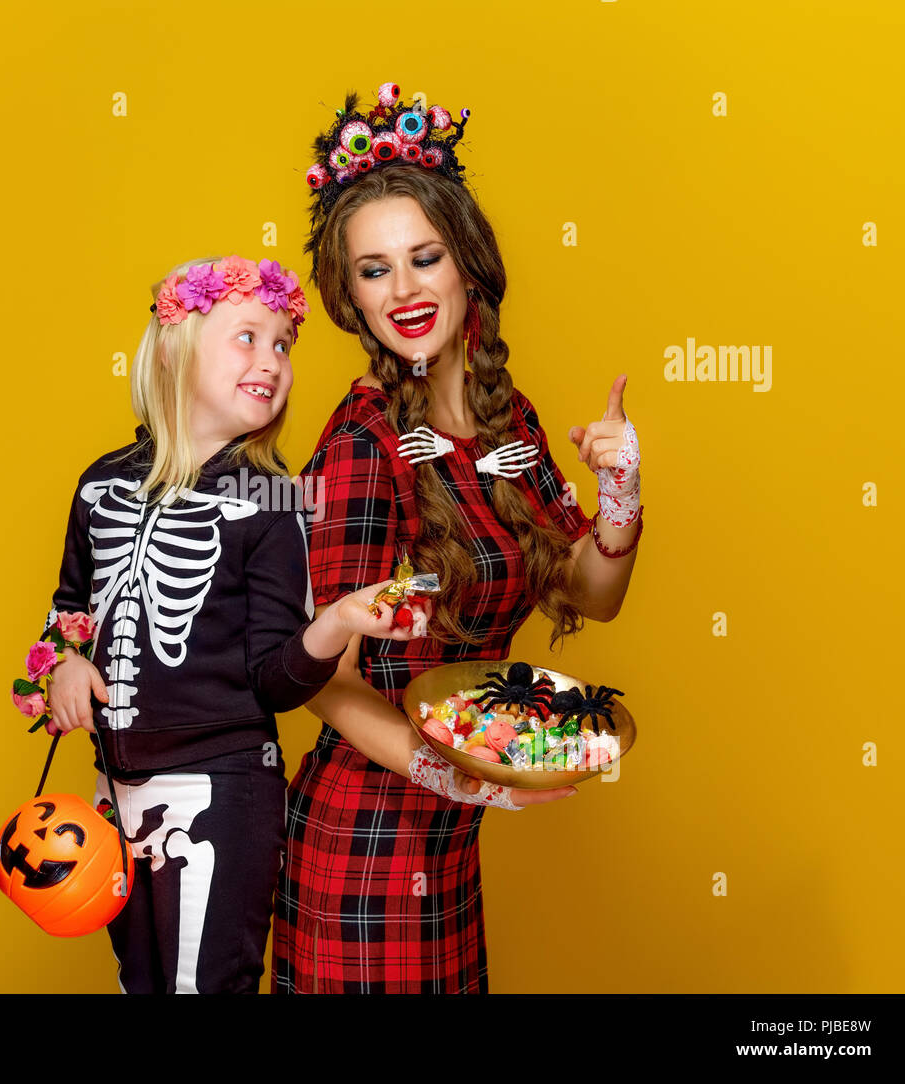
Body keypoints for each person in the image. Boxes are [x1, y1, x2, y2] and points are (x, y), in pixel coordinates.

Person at [272, 84, 645, 993]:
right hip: (361, 852)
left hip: (447, 854)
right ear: (349, 299)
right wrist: (456, 780)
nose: (402, 291)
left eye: (423, 257)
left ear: (467, 264)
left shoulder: (504, 420)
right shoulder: (362, 442)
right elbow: (318, 671)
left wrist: (623, 490)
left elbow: (591, 597)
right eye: (373, 270)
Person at [35, 254, 422, 994]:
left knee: (207, 985)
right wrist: (65, 663)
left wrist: (338, 618)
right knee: (140, 983)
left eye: (283, 345)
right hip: (112, 790)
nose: (271, 362)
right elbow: (68, 611)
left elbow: (275, 679)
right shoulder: (99, 482)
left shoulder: (271, 504)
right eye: (247, 338)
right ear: (178, 349)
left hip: (221, 791)